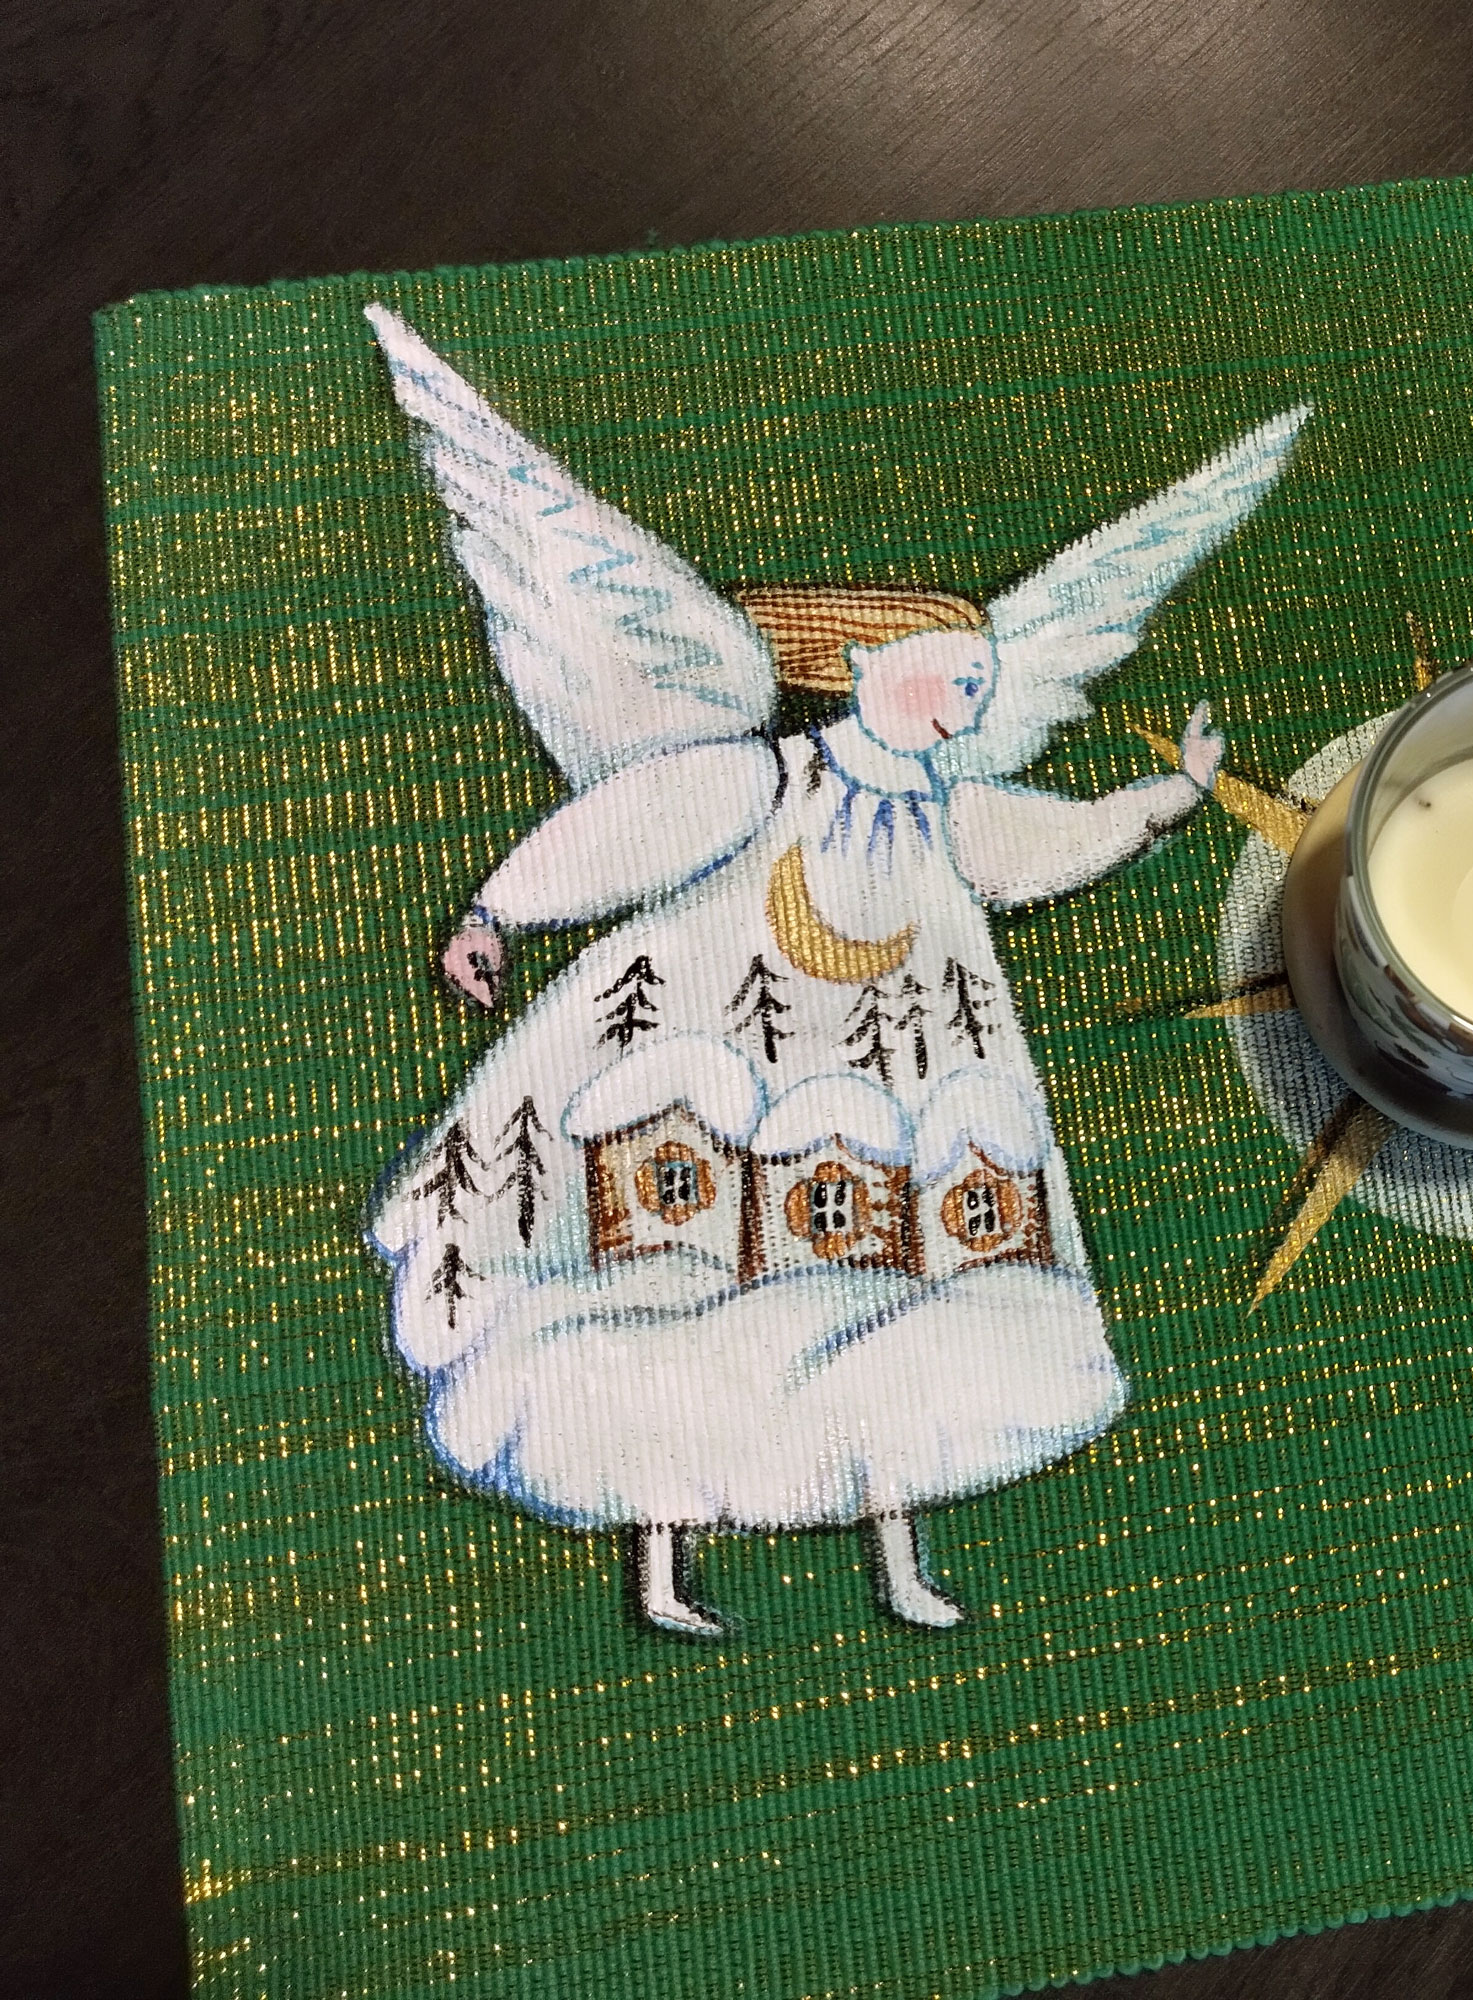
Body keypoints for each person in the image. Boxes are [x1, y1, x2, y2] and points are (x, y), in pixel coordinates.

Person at [361, 303, 1307, 1633]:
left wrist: (1166, 798)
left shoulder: (947, 812)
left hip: (913, 1070)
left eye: (980, 685)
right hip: (701, 1052)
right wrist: (496, 914)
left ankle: (899, 1550)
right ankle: (661, 1554)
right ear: (864, 666)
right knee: (679, 1264)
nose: (970, 704)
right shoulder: (753, 780)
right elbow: (623, 832)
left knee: (907, 1273)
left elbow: (1045, 841)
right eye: (952, 677)